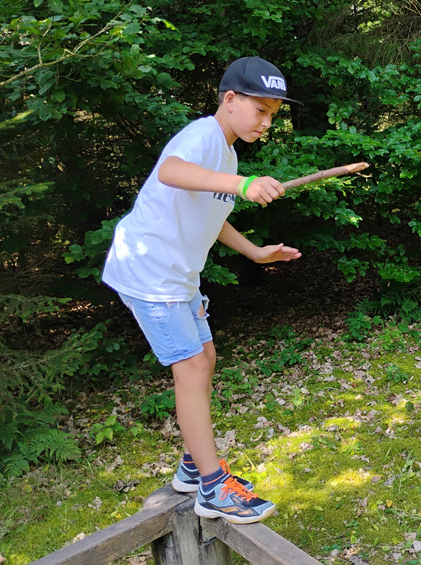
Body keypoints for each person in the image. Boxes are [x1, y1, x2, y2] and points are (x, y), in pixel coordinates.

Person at [102, 56, 301, 524]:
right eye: (260, 110)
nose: (266, 122)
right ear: (230, 99)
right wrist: (243, 184)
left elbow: (213, 215)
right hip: (151, 274)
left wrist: (254, 252)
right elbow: (171, 171)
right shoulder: (202, 136)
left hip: (179, 277)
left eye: (273, 114)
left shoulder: (227, 154)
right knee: (190, 367)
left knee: (205, 358)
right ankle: (213, 488)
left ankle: (193, 467)